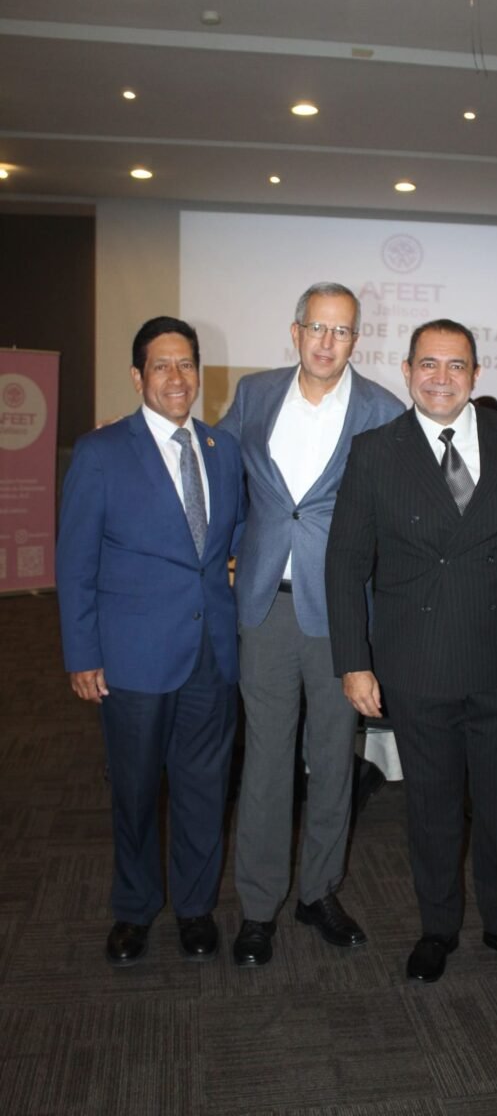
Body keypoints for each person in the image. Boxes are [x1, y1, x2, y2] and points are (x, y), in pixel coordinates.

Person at [326, 317, 497, 984]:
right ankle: (437, 928)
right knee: (430, 807)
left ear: (476, 375)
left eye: (456, 365)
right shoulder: (376, 450)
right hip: (418, 660)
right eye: (427, 364)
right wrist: (353, 660)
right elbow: (345, 562)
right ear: (406, 372)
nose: (441, 377)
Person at [218, 282, 404, 966]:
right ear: (295, 332)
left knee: (331, 759)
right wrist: (233, 546)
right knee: (267, 761)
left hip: (341, 614)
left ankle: (319, 892)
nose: (328, 342)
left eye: (342, 331)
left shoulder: (383, 410)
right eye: (317, 328)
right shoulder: (255, 394)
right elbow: (223, 475)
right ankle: (259, 906)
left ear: (357, 339)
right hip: (265, 605)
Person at [56, 316, 246, 966]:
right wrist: (82, 654)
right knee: (135, 791)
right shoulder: (101, 452)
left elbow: (233, 536)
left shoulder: (222, 450)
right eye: (161, 365)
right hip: (132, 658)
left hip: (211, 654)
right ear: (138, 377)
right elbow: (75, 562)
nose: (176, 377)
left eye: (186, 364)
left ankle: (195, 908)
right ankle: (135, 908)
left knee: (204, 788)